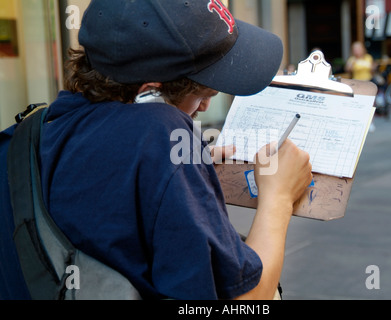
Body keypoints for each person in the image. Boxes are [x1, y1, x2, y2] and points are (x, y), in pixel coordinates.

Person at [0, 0, 312, 300]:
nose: (204, 106)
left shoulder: (36, 130)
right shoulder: (160, 132)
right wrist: (278, 197)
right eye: (204, 93)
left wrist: (173, 176)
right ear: (151, 93)